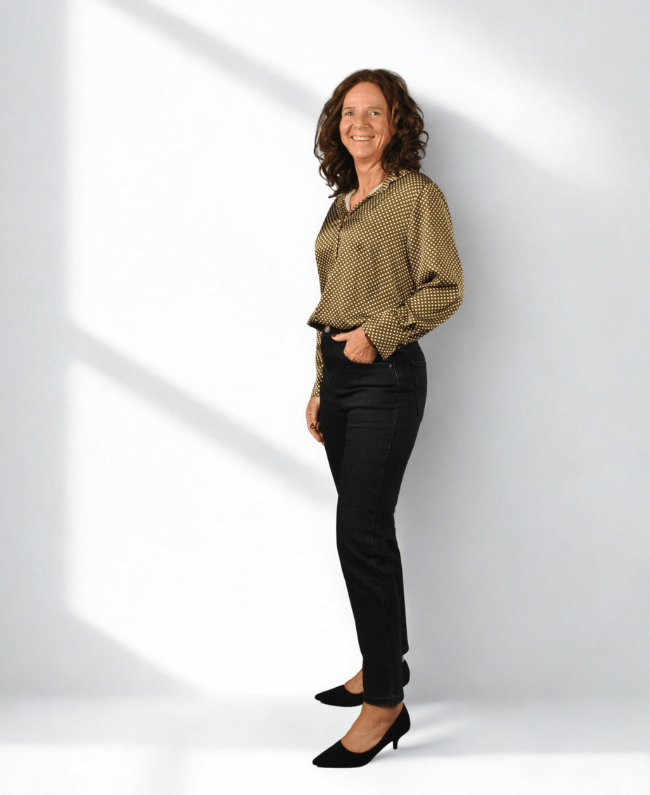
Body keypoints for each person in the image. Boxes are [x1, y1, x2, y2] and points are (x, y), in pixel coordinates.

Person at [306, 68, 464, 768]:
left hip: (386, 377)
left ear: (397, 123)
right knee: (368, 529)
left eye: (374, 112)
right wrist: (321, 384)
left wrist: (378, 335)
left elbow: (447, 286)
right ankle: (383, 662)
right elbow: (333, 298)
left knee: (359, 532)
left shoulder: (416, 196)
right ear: (336, 125)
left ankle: (385, 702)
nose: (359, 123)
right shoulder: (342, 206)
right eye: (349, 112)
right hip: (340, 378)